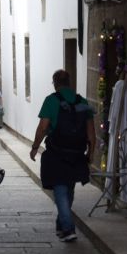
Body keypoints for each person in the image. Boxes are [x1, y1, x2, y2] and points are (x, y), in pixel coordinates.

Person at [29, 70, 95, 242]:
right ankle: (61, 224)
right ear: (69, 82)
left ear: (55, 83)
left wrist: (35, 147)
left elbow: (43, 127)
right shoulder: (82, 102)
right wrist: (91, 153)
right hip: (77, 153)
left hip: (57, 153)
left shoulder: (51, 100)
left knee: (60, 189)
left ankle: (68, 228)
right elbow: (91, 133)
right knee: (69, 188)